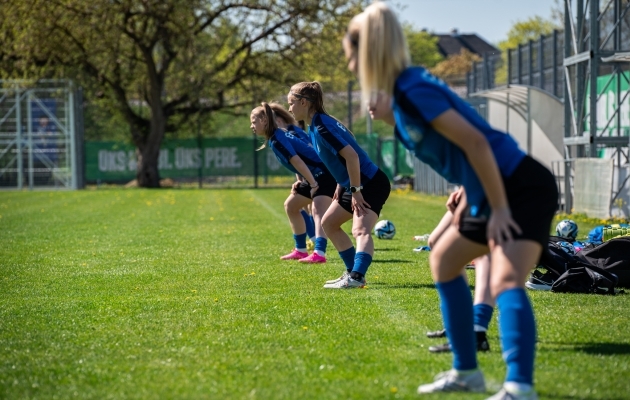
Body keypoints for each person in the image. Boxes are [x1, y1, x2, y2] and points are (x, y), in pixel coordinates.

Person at [343, 3, 558, 399]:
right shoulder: (403, 94)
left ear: (368, 51)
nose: (351, 64)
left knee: (505, 276)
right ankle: (466, 372)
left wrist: (500, 206)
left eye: (352, 55)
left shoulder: (411, 88)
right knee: (443, 259)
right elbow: (464, 146)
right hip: (492, 186)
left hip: (518, 186)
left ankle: (519, 387)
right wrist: (465, 185)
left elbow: (478, 142)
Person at [287, 81, 391, 289]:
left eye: (291, 103)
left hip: (368, 183)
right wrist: (341, 184)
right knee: (329, 223)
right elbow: (344, 153)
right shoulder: (317, 123)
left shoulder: (321, 125)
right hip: (352, 184)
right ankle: (352, 273)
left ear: (304, 102)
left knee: (360, 229)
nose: (289, 108)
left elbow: (352, 157)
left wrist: (356, 190)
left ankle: (357, 277)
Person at [250, 102, 335, 263]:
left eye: (254, 121)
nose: (251, 126)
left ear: (265, 121)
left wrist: (313, 184)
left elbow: (297, 160)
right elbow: (300, 159)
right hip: (315, 176)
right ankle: (301, 250)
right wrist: (300, 181)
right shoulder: (277, 136)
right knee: (291, 205)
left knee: (317, 210)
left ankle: (319, 253)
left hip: (324, 174)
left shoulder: (277, 139)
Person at [425, 187, 493, 354]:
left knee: (484, 254)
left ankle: (476, 330)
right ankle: (461, 323)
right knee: (437, 242)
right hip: (472, 190)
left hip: (489, 189)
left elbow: (486, 162)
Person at [269, 102, 317, 250]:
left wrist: (308, 181)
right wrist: (300, 181)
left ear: (280, 120)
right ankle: (314, 240)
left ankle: (315, 241)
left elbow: (301, 158)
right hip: (311, 174)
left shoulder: (292, 133)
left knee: (305, 207)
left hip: (317, 173)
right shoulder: (288, 132)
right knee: (303, 206)